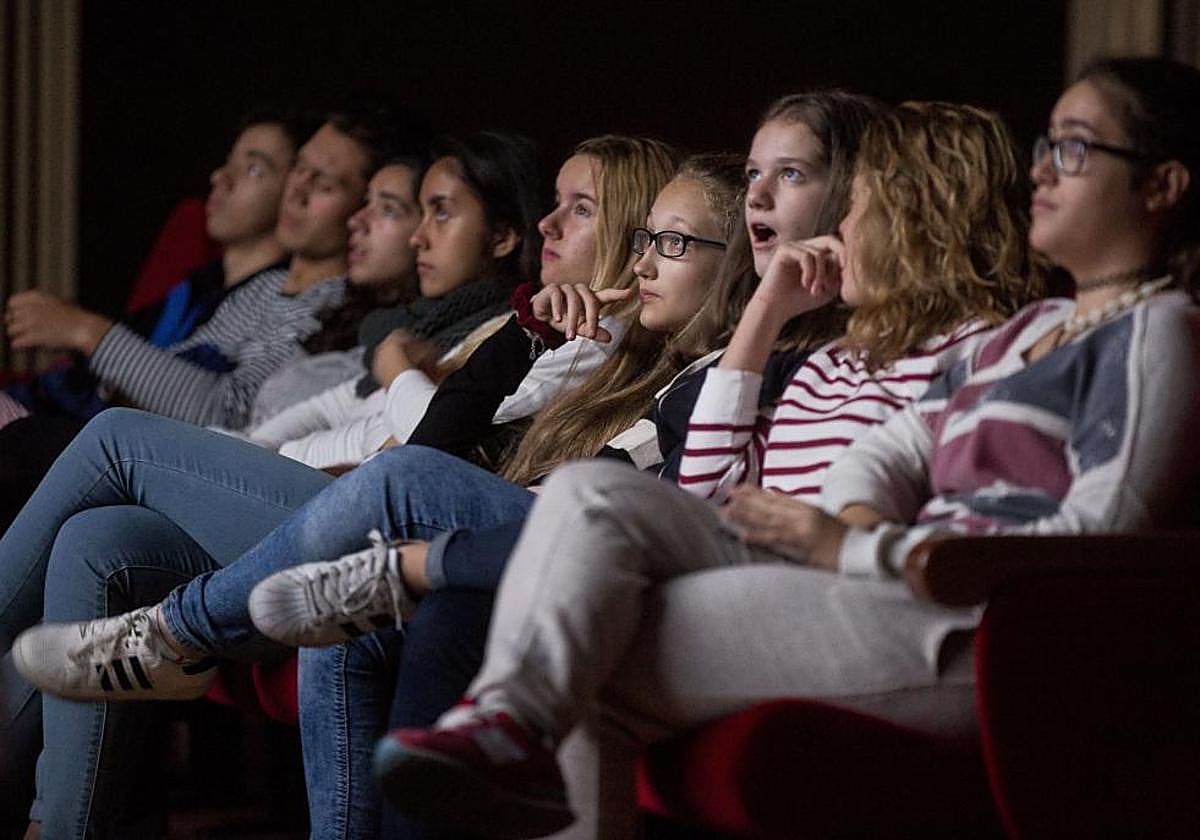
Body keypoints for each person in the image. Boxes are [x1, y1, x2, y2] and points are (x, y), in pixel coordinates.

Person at [368, 64, 1200, 840]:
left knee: (591, 645)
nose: (1042, 172)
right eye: (1046, 146)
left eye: (1076, 148)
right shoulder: (1030, 334)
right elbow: (896, 448)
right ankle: (509, 719)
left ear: (1161, 185)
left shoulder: (1159, 328)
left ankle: (508, 715)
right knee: (590, 495)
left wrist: (861, 546)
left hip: (988, 632)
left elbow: (1102, 542)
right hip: (896, 583)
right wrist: (850, 523)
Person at [9, 151, 744, 839]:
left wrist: (415, 370)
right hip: (399, 511)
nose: (553, 227)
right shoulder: (572, 333)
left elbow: (441, 460)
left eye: (581, 210)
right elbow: (405, 434)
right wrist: (520, 333)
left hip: (472, 531)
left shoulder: (654, 358)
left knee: (115, 439)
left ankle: (181, 634)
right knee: (103, 542)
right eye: (645, 237)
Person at [246, 135, 676, 471]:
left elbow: (439, 430)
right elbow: (351, 405)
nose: (547, 224)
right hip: (294, 462)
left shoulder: (595, 336)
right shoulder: (526, 319)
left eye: (581, 209)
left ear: (631, 229)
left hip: (321, 485)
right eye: (555, 203)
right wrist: (257, 448)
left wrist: (396, 364)